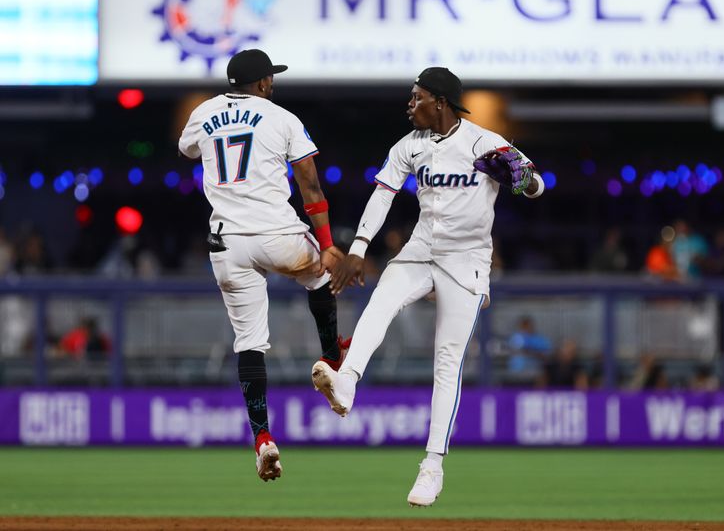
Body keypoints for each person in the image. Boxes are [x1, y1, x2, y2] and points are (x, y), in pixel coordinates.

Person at [311, 67, 544, 507]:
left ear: (438, 101)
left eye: (415, 97)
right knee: (383, 297)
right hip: (422, 248)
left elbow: (537, 185)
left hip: (467, 260)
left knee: (447, 360)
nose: (409, 104)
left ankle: (432, 466)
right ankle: (347, 381)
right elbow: (382, 195)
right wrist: (358, 247)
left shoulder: (481, 141)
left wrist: (518, 176)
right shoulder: (408, 146)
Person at [178, 49, 348, 483]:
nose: (273, 82)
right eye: (270, 77)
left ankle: (262, 438)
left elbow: (188, 150)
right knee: (322, 275)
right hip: (278, 235)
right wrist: (328, 243)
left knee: (249, 343)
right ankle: (330, 360)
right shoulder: (281, 117)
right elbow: (309, 184)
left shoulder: (204, 111)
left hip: (227, 243)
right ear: (263, 84)